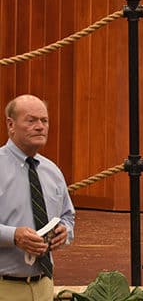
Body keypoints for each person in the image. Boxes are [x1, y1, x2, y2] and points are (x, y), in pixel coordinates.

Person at [0, 95, 75, 296]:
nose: (40, 126)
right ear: (11, 125)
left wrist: (64, 232)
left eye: (44, 120)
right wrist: (13, 236)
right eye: (31, 120)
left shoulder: (53, 172)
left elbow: (68, 217)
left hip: (44, 287)